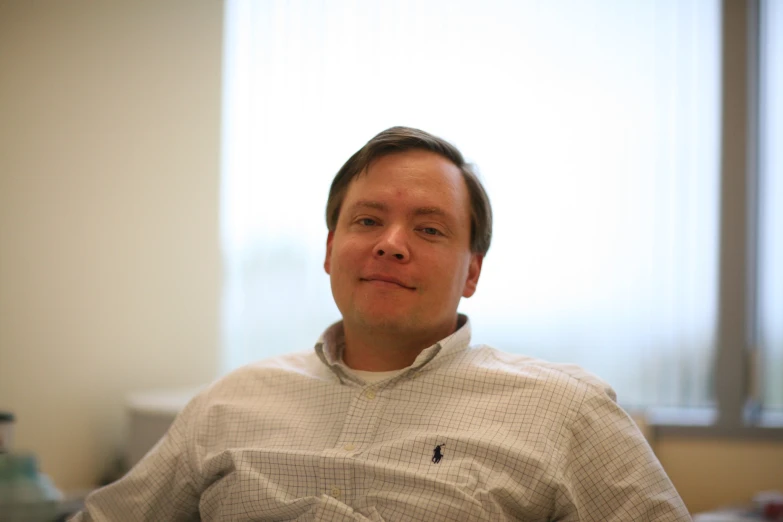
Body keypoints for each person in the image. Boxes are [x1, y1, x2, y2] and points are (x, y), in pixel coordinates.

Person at [72, 127, 691, 521]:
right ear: (328, 250)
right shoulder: (226, 405)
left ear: (472, 272)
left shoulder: (567, 414)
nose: (391, 245)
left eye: (428, 229)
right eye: (367, 221)